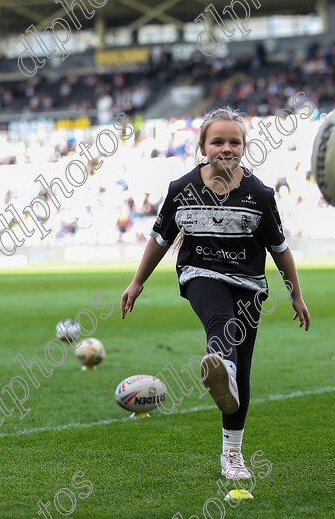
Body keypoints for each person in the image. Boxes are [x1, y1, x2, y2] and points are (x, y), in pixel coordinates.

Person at [121, 107, 311, 479]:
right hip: (200, 273)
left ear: (244, 146)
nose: (226, 148)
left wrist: (296, 294)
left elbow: (280, 249)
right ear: (203, 147)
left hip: (249, 285)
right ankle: (220, 363)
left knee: (242, 373)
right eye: (218, 141)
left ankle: (232, 454)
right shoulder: (181, 190)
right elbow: (160, 240)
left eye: (234, 141)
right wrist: (137, 281)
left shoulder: (259, 194)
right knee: (219, 321)